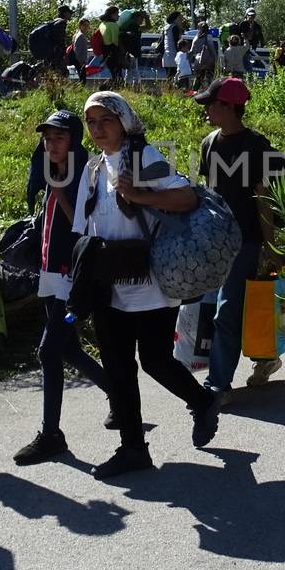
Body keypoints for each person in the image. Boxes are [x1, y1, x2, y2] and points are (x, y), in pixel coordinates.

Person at [71, 92, 219, 479]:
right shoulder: (91, 169)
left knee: (154, 361)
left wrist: (138, 194)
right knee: (118, 368)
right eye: (91, 122)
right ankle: (133, 449)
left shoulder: (145, 159)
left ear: (124, 120)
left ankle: (202, 401)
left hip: (150, 279)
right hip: (107, 281)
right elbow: (85, 225)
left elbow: (187, 198)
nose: (98, 129)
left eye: (105, 120)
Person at [14, 111, 111, 465]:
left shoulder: (84, 172)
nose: (50, 144)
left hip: (72, 277)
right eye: (47, 138)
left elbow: (85, 227)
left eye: (58, 138)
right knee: (67, 348)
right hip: (50, 272)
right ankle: (118, 394)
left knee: (49, 350)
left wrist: (59, 191)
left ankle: (51, 435)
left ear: (73, 139)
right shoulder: (50, 169)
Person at [195, 79, 285, 398]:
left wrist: (270, 246)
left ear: (231, 107)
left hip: (247, 240)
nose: (206, 109)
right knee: (243, 307)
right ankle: (266, 356)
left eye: (212, 104)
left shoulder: (255, 146)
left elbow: (264, 199)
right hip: (217, 243)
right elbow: (209, 196)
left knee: (227, 309)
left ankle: (217, 384)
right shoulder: (209, 144)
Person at [97, 7, 125, 87]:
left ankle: (105, 88)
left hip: (105, 52)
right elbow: (115, 41)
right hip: (113, 52)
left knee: (114, 74)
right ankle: (103, 88)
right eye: (117, 14)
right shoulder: (113, 25)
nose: (118, 16)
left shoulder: (102, 24)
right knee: (118, 76)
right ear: (112, 15)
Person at [161, 12, 184, 83]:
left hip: (166, 58)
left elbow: (161, 42)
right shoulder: (175, 28)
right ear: (175, 19)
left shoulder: (166, 28)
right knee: (176, 79)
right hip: (174, 57)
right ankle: (172, 92)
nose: (181, 20)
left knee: (169, 78)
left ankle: (168, 92)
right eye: (180, 18)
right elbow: (177, 43)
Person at [72, 14, 94, 83]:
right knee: (82, 81)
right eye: (84, 25)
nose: (86, 27)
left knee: (82, 80)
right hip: (80, 62)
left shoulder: (77, 34)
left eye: (87, 25)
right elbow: (77, 50)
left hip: (79, 61)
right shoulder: (81, 35)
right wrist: (80, 62)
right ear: (80, 25)